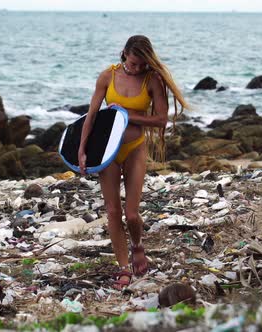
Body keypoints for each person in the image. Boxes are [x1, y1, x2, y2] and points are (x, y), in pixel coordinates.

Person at [78, 35, 189, 289]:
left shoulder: (153, 80)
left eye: (142, 64)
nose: (137, 68)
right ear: (124, 54)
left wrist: (128, 114)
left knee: (131, 213)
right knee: (113, 212)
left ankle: (138, 246)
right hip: (108, 150)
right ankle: (123, 268)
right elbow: (92, 116)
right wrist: (82, 150)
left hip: (135, 149)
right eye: (133, 63)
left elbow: (161, 120)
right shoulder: (107, 76)